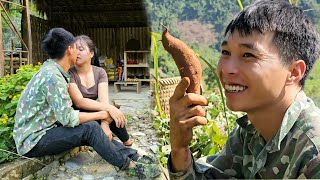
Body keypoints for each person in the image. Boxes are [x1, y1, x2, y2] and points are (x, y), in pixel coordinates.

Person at [168, 0, 320, 179]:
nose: (227, 69)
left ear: (294, 72)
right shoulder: (249, 132)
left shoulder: (313, 151)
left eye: (248, 55)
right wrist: (179, 149)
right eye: (225, 53)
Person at [13, 28, 138, 171]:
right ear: (69, 50)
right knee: (90, 129)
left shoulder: (54, 71)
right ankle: (130, 166)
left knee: (90, 129)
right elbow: (68, 118)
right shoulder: (52, 76)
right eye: (75, 47)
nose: (77, 52)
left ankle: (131, 155)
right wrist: (103, 114)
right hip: (33, 140)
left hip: (47, 130)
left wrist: (104, 114)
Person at [68, 35, 133, 146]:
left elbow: (104, 100)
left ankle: (126, 141)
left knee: (112, 110)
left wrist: (105, 123)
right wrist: (109, 110)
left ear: (91, 54)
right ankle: (114, 145)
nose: (77, 52)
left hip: (94, 109)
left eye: (81, 49)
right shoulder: (70, 73)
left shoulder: (100, 72)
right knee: (110, 109)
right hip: (77, 113)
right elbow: (79, 101)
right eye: (74, 49)